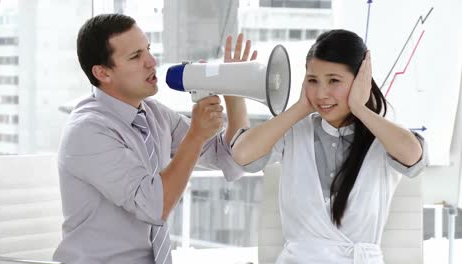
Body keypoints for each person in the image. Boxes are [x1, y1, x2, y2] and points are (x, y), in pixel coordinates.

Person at [53, 13, 256, 264]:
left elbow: (231, 160)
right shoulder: (88, 131)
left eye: (147, 49)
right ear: (103, 73)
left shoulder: (154, 113)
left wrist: (234, 91)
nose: (152, 61)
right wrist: (195, 136)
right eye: (136, 56)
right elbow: (154, 207)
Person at [230, 29, 427, 263]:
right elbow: (242, 154)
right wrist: (301, 107)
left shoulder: (382, 135)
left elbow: (414, 156)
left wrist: (360, 108)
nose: (322, 93)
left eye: (334, 80)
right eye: (313, 80)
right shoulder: (295, 130)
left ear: (360, 81)